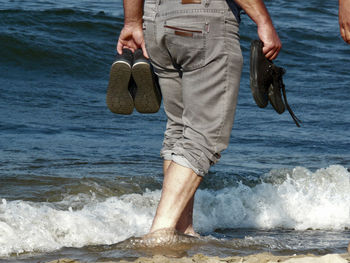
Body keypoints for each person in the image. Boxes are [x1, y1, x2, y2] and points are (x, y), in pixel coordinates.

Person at [116, 0, 281, 242]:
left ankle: (182, 230)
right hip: (205, 19)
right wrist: (264, 21)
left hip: (157, 19)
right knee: (203, 137)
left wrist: (132, 22)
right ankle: (159, 234)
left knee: (180, 129)